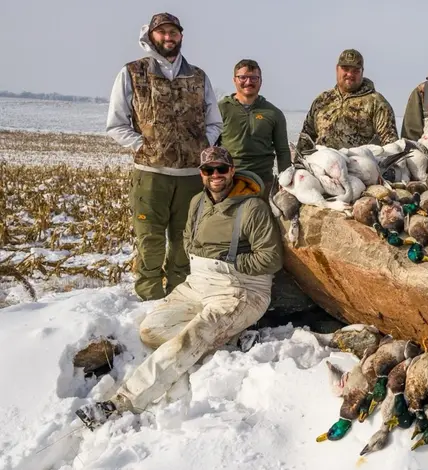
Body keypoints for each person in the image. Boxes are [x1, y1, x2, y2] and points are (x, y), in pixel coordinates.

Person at [75, 146, 283, 430]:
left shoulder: (252, 208)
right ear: (201, 174)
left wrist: (230, 260)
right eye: (209, 170)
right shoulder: (198, 201)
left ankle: (120, 402)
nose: (216, 175)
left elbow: (271, 259)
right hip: (198, 282)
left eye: (222, 169)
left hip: (240, 288)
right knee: (150, 331)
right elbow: (188, 239)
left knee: (187, 339)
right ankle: (234, 340)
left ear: (232, 171)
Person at [106, 12, 223, 301]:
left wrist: (200, 147)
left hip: (190, 178)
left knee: (185, 242)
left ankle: (178, 297)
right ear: (151, 36)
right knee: (150, 240)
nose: (168, 38)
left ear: (181, 36)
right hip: (151, 176)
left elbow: (215, 122)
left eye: (173, 33)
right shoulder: (133, 72)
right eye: (162, 33)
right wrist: (143, 147)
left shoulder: (198, 76)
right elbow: (116, 124)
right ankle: (149, 296)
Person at [296, 49, 398, 153]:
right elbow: (305, 140)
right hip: (322, 165)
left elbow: (391, 146)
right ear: (337, 69)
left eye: (355, 71)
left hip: (359, 166)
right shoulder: (322, 101)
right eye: (345, 69)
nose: (350, 74)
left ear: (362, 71)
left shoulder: (376, 102)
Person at [218, 59, 291, 201]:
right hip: (229, 181)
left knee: (264, 221)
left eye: (253, 78)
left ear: (260, 81)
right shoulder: (221, 109)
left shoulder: (273, 113)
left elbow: (282, 151)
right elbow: (209, 147)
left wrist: (285, 182)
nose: (248, 82)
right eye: (243, 77)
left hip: (263, 182)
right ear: (234, 80)